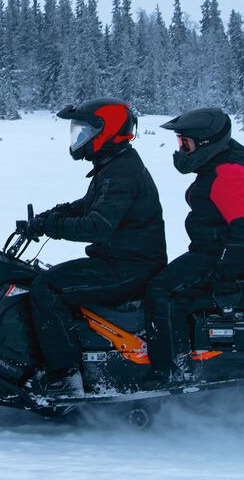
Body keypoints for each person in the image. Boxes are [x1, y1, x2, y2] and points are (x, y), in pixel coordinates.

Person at [23, 98, 167, 391]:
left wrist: (51, 226)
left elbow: (98, 225)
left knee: (46, 289)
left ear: (107, 131)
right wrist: (56, 212)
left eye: (85, 131)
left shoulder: (121, 171)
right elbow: (94, 204)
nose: (79, 139)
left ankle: (64, 376)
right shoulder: (116, 164)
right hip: (123, 261)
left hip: (129, 268)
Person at [144, 107, 244, 385]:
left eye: (186, 144)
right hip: (211, 254)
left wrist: (226, 276)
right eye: (180, 143)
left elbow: (243, 229)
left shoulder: (227, 174)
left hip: (217, 258)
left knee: (161, 291)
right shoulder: (217, 168)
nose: (181, 150)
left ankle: (172, 368)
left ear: (207, 144)